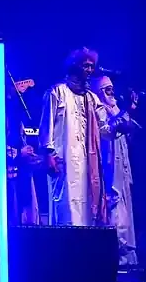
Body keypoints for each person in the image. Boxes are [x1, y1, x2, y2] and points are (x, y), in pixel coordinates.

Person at [38, 48, 130, 227]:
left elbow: (105, 129)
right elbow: (45, 126)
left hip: (88, 165)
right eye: (85, 65)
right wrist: (49, 154)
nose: (89, 70)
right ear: (74, 66)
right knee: (65, 211)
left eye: (91, 66)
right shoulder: (57, 92)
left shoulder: (92, 98)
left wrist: (120, 125)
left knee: (87, 212)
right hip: (63, 162)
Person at [92, 74, 140, 264]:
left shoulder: (116, 109)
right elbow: (108, 130)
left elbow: (128, 131)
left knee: (124, 205)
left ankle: (127, 253)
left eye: (112, 89)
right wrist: (125, 112)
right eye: (107, 89)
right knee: (113, 203)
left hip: (122, 164)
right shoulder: (99, 110)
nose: (112, 93)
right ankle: (115, 251)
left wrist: (130, 109)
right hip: (108, 163)